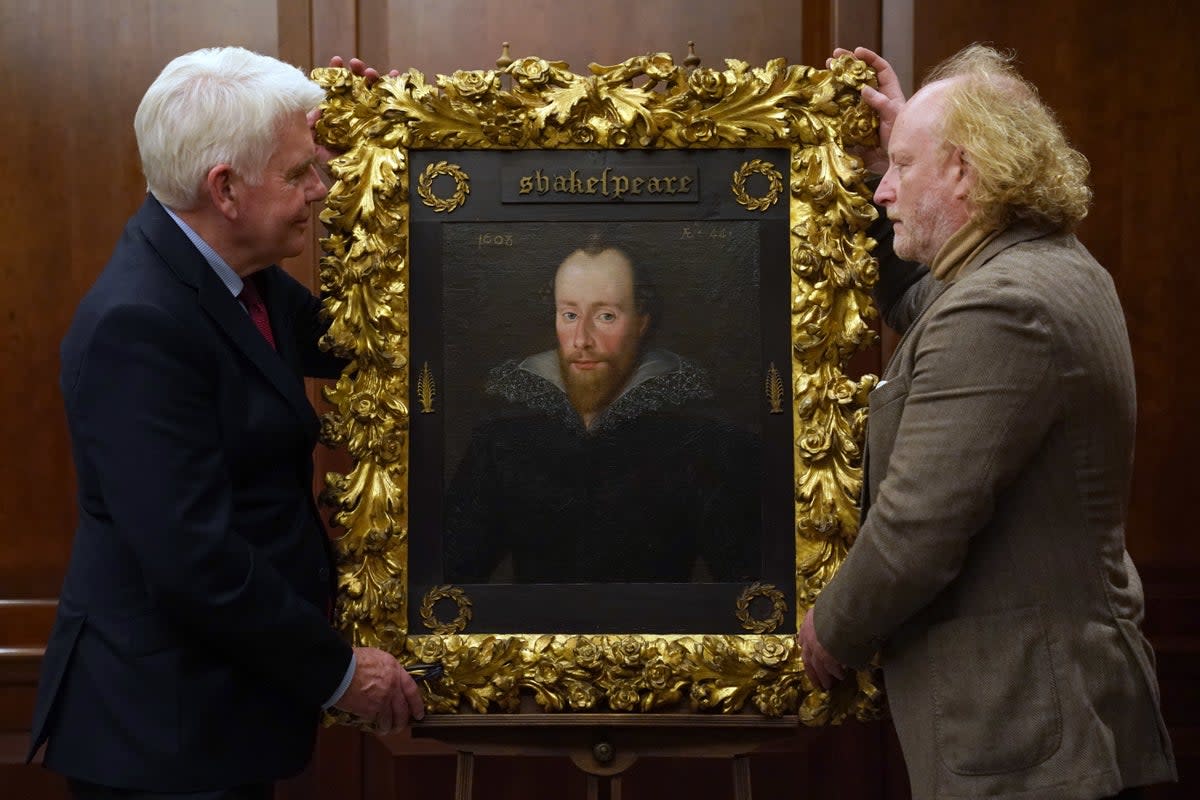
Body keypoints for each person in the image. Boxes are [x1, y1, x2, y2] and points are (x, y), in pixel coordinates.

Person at [27, 47, 424, 799]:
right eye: (300, 172)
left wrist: (379, 141)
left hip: (217, 718)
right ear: (226, 188)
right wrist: (339, 672)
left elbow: (368, 344)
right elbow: (194, 559)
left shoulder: (239, 273)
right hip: (163, 738)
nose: (320, 189)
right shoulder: (138, 324)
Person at [797, 45, 1176, 799]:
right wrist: (909, 135)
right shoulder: (1047, 266)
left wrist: (829, 630)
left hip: (1031, 739)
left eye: (903, 168)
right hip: (1060, 719)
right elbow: (923, 302)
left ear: (966, 172)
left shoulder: (1001, 306)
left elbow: (915, 531)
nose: (883, 191)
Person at [442, 234, 761, 584]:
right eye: (569, 314)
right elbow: (448, 583)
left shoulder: (704, 444)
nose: (582, 339)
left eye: (606, 316)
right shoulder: (500, 444)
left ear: (642, 322)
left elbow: (748, 597)